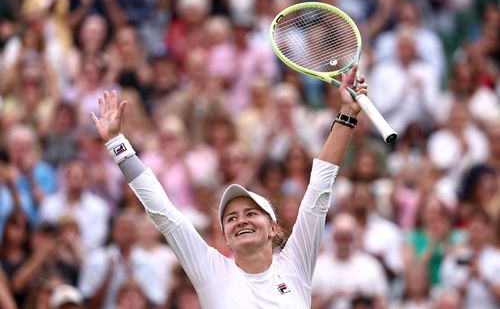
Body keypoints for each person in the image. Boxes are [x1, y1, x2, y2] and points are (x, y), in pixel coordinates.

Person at [89, 65, 367, 308]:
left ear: (273, 228)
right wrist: (117, 144)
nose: (241, 221)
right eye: (231, 218)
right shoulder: (211, 270)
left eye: (251, 213)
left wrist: (347, 112)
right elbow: (162, 212)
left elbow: (319, 188)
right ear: (224, 236)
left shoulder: (296, 265)